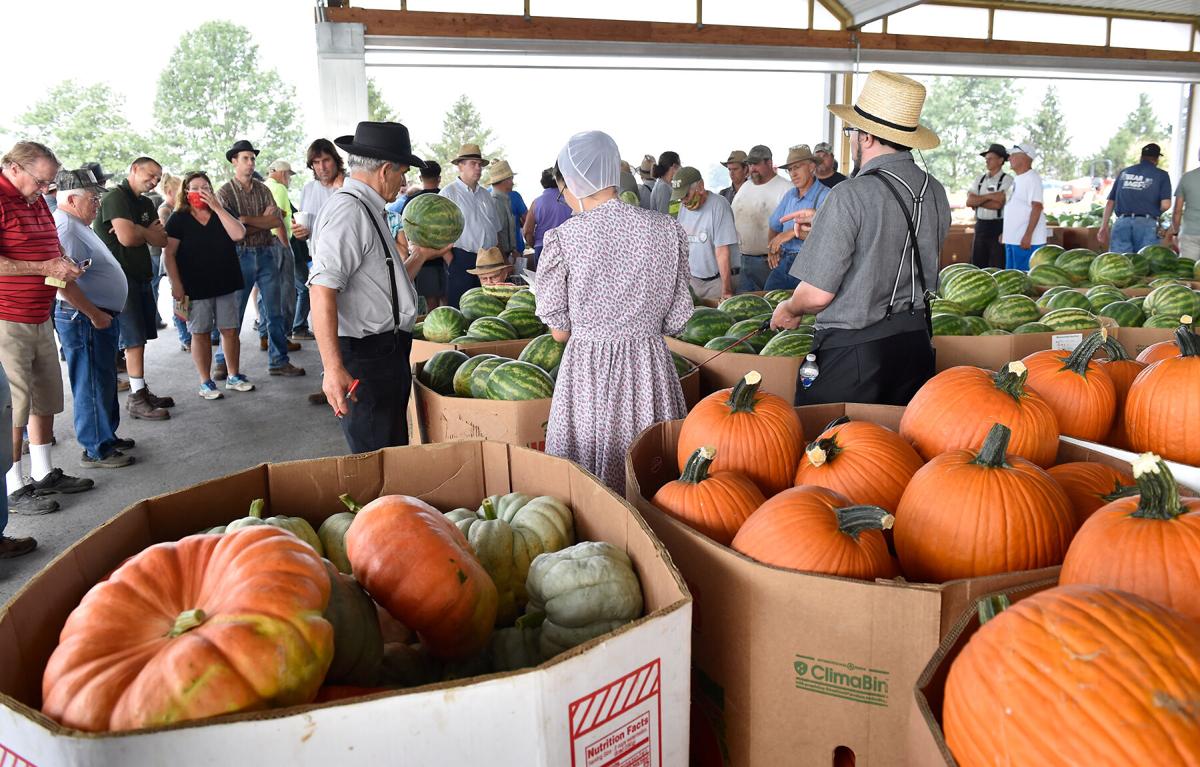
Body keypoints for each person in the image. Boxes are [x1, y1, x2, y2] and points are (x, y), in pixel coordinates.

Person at [771, 70, 950, 406]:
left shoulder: (849, 194)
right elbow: (894, 242)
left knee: (836, 451)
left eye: (850, 131)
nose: (850, 138)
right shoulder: (935, 191)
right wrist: (825, 224)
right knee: (899, 453)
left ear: (866, 137)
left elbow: (817, 295)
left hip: (854, 357)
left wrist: (790, 307)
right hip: (916, 349)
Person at [537, 131, 691, 491]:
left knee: (589, 489)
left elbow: (560, 332)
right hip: (648, 369)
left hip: (588, 374)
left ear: (572, 182)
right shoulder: (667, 230)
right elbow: (678, 320)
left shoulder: (565, 238)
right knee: (650, 476)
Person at [308, 121, 441, 453]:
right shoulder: (349, 211)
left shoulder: (369, 208)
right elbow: (322, 288)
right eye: (402, 173)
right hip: (366, 356)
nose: (404, 181)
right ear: (385, 170)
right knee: (376, 455)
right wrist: (333, 368)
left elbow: (384, 285)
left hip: (386, 352)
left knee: (391, 448)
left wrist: (421, 254)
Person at [0, 141, 89, 515]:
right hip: (7, 317)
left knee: (45, 396)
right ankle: (13, 485)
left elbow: (47, 247)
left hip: (40, 313)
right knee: (15, 407)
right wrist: (43, 268)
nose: (45, 191)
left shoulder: (33, 200)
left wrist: (63, 262)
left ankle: (42, 471)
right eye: (41, 182)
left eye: (49, 185)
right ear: (14, 168)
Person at [53, 168, 134, 468]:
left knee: (102, 379)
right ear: (72, 199)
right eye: (93, 198)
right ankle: (96, 447)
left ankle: (106, 436)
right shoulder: (66, 228)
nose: (98, 204)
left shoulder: (76, 223)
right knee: (90, 382)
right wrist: (95, 313)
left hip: (96, 315)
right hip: (84, 317)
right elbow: (60, 282)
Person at [215, 140, 304, 378]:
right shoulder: (224, 192)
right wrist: (255, 222)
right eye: (245, 158)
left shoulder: (264, 189)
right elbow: (228, 230)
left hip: (266, 252)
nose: (251, 162)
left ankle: (278, 360)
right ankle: (222, 361)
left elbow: (275, 221)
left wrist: (243, 220)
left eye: (252, 158)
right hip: (239, 255)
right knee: (234, 312)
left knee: (275, 310)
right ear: (234, 161)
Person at [94, 156, 174, 420]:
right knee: (133, 340)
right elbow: (127, 239)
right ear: (134, 169)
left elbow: (161, 240)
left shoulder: (145, 202)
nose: (154, 181)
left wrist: (137, 229)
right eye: (150, 175)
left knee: (140, 337)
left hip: (140, 275)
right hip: (120, 278)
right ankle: (136, 398)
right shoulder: (116, 197)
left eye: (158, 178)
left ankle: (140, 389)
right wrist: (142, 231)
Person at [164, 171, 254, 401]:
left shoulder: (221, 213)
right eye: (196, 188)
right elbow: (170, 254)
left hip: (226, 281)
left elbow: (238, 234)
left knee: (230, 330)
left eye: (206, 187)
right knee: (200, 332)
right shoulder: (179, 219)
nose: (201, 192)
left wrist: (218, 208)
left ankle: (233, 375)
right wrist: (176, 284)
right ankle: (205, 381)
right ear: (186, 192)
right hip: (195, 286)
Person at [292, 139, 346, 344]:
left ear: (336, 160)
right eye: (316, 162)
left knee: (346, 316)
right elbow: (306, 228)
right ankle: (332, 365)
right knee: (325, 316)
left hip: (345, 257)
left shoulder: (347, 185)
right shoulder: (308, 189)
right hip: (317, 259)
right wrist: (299, 232)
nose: (322, 167)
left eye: (326, 160)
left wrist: (342, 188)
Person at [440, 143, 500, 308]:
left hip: (489, 260)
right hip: (462, 259)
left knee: (489, 309)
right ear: (460, 166)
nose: (478, 168)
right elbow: (439, 233)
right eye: (473, 164)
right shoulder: (448, 194)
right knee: (462, 309)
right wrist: (452, 261)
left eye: (479, 164)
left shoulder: (486, 195)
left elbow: (496, 229)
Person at [765, 145, 830, 292]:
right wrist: (772, 249)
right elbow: (774, 225)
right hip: (784, 262)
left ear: (812, 167)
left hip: (810, 265)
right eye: (790, 169)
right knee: (768, 302)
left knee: (804, 310)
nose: (793, 174)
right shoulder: (789, 196)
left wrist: (791, 233)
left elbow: (829, 236)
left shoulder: (826, 196)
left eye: (797, 167)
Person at [672, 166, 740, 301]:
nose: (684, 201)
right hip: (693, 280)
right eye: (680, 198)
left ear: (700, 186)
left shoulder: (719, 205)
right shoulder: (683, 207)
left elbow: (722, 252)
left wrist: (726, 290)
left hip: (716, 281)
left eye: (686, 195)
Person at [732, 144, 792, 291]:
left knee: (768, 307)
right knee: (745, 308)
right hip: (743, 260)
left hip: (770, 262)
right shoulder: (746, 187)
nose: (752, 168)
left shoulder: (786, 189)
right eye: (750, 164)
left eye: (756, 164)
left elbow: (790, 229)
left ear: (769, 163)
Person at [1098, 143, 1172, 253]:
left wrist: (1103, 227)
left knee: (1120, 262)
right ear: (1156, 159)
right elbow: (1165, 205)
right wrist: (1153, 210)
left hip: (1122, 222)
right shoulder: (1161, 175)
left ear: (1141, 157)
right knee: (1144, 263)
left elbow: (1110, 203)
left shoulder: (1124, 173)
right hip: (1147, 224)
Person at [397, 161, 446, 309]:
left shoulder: (412, 202)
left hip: (423, 263)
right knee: (447, 301)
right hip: (448, 258)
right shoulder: (446, 198)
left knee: (431, 304)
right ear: (439, 178)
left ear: (420, 178)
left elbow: (406, 231)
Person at [263, 160, 300, 351]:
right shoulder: (278, 188)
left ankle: (266, 335)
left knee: (268, 293)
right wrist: (286, 245)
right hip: (279, 242)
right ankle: (281, 338)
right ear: (282, 173)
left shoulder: (264, 186)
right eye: (289, 175)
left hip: (266, 243)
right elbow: (277, 218)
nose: (289, 179)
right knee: (286, 292)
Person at [154, 173, 191, 351]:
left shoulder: (178, 209)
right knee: (179, 297)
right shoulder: (165, 210)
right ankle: (185, 337)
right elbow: (167, 238)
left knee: (185, 296)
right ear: (169, 191)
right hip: (170, 257)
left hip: (183, 256)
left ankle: (188, 334)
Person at [1001, 142, 1047, 271]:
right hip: (1013, 239)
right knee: (1011, 278)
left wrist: (1028, 235)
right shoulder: (1018, 179)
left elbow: (1037, 207)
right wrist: (1006, 233)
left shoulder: (1032, 178)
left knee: (1023, 280)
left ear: (1024, 157)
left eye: (1012, 155)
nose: (1009, 158)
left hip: (1026, 242)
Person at [966, 143, 1012, 269]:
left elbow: (999, 203)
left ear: (1001, 160)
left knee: (996, 264)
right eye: (986, 159)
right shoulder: (979, 179)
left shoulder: (1007, 179)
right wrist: (990, 197)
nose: (987, 161)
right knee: (977, 263)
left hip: (997, 227)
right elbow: (969, 202)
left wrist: (979, 201)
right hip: (980, 226)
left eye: (990, 158)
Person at [523, 167, 572, 270]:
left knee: (544, 284)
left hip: (543, 247)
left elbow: (527, 231)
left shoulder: (537, 203)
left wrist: (536, 244)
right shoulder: (571, 200)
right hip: (568, 247)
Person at [1166, 147, 1200, 260]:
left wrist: (1175, 231)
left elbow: (1177, 210)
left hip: (1190, 234)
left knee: (1188, 272)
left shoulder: (1187, 177)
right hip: (1189, 233)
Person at [488, 160, 520, 262]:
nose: (513, 183)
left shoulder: (505, 199)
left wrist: (513, 250)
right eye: (511, 179)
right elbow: (496, 235)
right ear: (505, 180)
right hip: (501, 255)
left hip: (507, 253)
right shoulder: (496, 202)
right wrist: (504, 259)